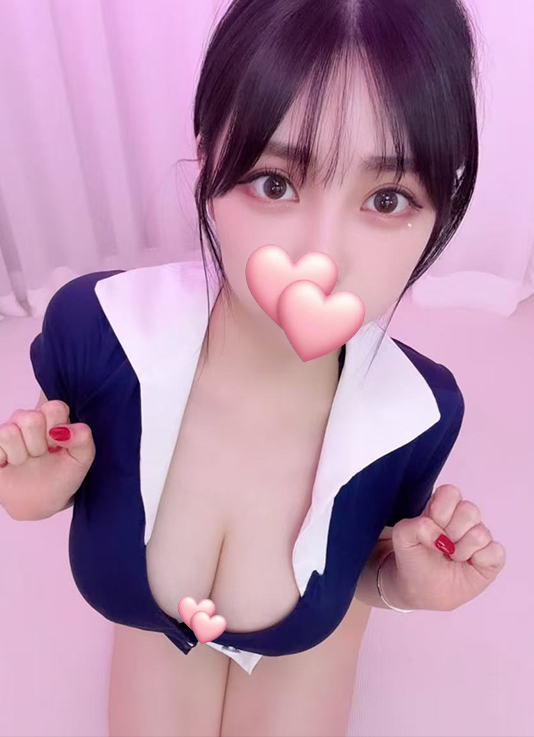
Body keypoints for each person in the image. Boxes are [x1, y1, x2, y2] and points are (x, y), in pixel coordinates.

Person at [1, 1, 506, 736]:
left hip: (304, 644)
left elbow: (367, 559)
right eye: (275, 183)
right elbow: (65, 463)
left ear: (442, 209)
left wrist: (401, 586)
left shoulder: (420, 413)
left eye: (386, 198)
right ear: (208, 157)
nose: (320, 258)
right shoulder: (97, 330)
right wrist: (34, 494)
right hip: (159, 622)